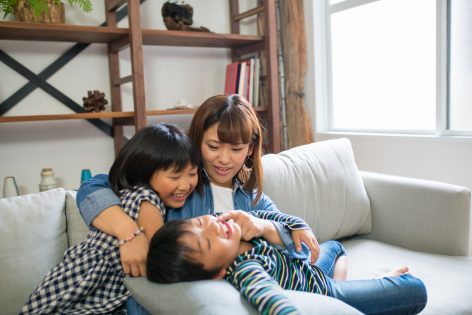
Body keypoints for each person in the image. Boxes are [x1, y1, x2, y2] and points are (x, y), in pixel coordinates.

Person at [77, 94, 322, 277]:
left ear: (249, 149)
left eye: (236, 149)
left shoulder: (252, 198)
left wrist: (264, 226)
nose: (224, 159)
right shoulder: (179, 185)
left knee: (332, 252)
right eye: (213, 147)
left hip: (242, 289)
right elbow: (94, 185)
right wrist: (128, 233)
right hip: (183, 291)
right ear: (197, 140)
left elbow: (298, 255)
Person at [21, 123, 200, 314]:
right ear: (146, 173)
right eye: (174, 177)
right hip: (83, 289)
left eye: (192, 173)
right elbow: (162, 254)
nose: (185, 185)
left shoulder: (131, 194)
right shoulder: (146, 199)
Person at [147, 210, 428, 315]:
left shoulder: (230, 219)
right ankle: (370, 288)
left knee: (335, 246)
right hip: (323, 293)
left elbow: (285, 221)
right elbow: (269, 300)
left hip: (309, 271)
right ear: (218, 273)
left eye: (199, 222)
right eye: (207, 243)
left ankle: (357, 288)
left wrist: (279, 225)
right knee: (415, 289)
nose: (213, 227)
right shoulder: (245, 270)